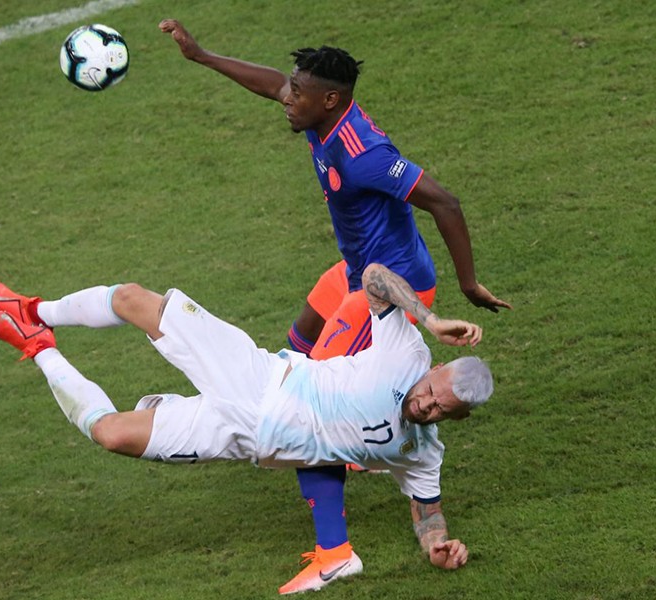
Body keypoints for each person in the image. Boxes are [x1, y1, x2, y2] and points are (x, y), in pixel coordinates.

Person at [159, 19, 512, 592]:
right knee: (296, 345)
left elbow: (445, 202)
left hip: (389, 287)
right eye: (292, 88)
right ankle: (290, 423)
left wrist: (468, 284)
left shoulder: (363, 155)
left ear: (329, 100)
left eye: (297, 92)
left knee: (312, 404)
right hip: (354, 273)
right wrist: (200, 55)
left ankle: (334, 548)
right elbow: (272, 83)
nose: (286, 98)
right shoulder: (319, 113)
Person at [0, 263, 492, 594]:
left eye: (438, 409)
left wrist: (437, 546)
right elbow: (375, 276)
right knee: (134, 298)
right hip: (257, 379)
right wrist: (429, 319)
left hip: (240, 438)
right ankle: (33, 309)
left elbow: (428, 512)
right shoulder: (407, 352)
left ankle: (36, 344)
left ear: (456, 418)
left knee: (111, 434)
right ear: (434, 369)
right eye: (431, 390)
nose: (424, 404)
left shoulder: (421, 452)